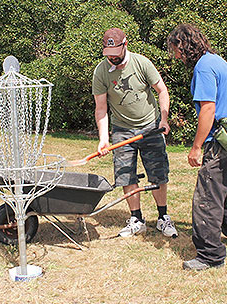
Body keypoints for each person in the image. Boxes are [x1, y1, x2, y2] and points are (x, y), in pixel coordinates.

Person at [167, 24, 227, 271]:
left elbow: (208, 109)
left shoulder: (203, 68)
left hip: (220, 141)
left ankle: (210, 256)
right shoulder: (216, 60)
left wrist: (196, 147)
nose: (177, 56)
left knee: (207, 197)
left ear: (185, 46)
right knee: (224, 188)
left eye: (177, 50)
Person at [92, 28, 178, 238]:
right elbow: (101, 108)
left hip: (150, 127)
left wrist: (164, 120)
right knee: (125, 174)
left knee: (158, 173)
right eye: (108, 53)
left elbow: (162, 91)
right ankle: (136, 219)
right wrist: (104, 138)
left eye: (115, 51)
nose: (112, 57)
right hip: (122, 130)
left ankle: (163, 218)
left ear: (125, 44)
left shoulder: (142, 63)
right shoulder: (101, 71)